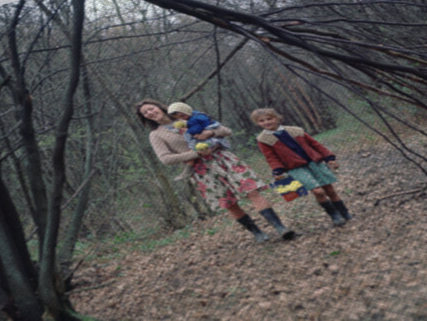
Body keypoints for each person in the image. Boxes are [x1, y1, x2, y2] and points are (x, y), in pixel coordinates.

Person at [136, 99, 295, 242]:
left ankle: (280, 228)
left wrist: (210, 133)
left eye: (151, 108)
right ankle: (257, 233)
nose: (150, 113)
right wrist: (196, 153)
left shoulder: (188, 116)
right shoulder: (156, 135)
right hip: (200, 170)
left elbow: (226, 130)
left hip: (223, 158)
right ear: (144, 117)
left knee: (252, 191)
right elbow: (165, 158)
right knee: (229, 203)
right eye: (145, 113)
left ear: (160, 107)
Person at [251, 107, 352, 226]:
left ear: (277, 118)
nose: (266, 122)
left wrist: (329, 157)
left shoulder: (295, 130)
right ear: (257, 123)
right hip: (295, 168)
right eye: (261, 121)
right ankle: (334, 215)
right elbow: (270, 157)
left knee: (329, 190)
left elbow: (315, 144)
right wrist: (277, 170)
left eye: (269, 119)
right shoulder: (263, 139)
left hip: (314, 162)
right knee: (318, 191)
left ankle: (344, 213)